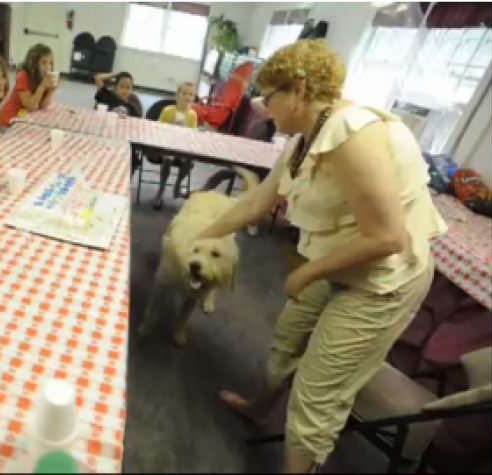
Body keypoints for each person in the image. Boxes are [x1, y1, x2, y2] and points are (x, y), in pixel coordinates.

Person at [196, 39, 447, 473]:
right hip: (341, 263)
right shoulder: (304, 140)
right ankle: (260, 407)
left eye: (268, 96)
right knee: (286, 339)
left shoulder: (353, 134)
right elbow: (256, 205)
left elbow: (387, 238)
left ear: (298, 89)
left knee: (317, 394)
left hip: (381, 283)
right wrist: (198, 234)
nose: (260, 107)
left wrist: (308, 270)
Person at [150, 82, 198, 210]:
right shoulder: (168, 110)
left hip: (182, 146)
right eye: (184, 93)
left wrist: (187, 131)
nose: (187, 97)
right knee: (168, 158)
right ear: (177, 95)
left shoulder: (193, 115)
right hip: (166, 144)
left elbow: (193, 134)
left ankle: (177, 184)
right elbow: (157, 127)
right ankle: (161, 188)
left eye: (191, 94)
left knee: (189, 160)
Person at [0, 43, 57, 129]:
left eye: (50, 63)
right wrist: (42, 86)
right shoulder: (23, 76)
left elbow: (42, 106)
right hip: (7, 121)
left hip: (22, 119)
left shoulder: (42, 78)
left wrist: (51, 89)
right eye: (43, 63)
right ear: (33, 63)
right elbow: (29, 105)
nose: (48, 67)